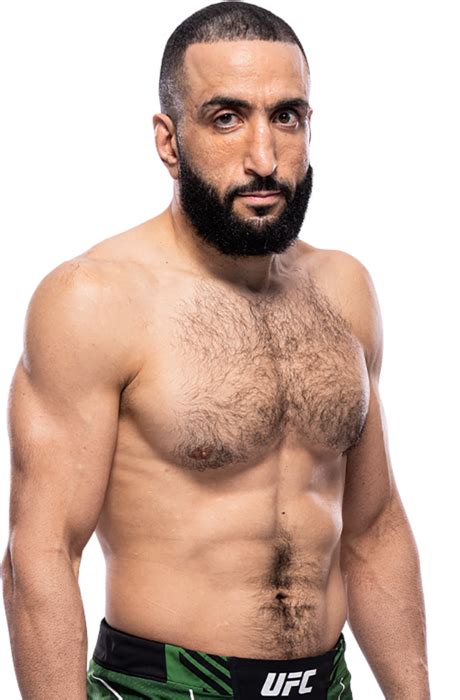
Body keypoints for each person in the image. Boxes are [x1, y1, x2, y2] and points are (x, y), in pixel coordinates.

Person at [1, 2, 430, 698]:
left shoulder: (344, 289)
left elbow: (375, 530)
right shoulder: (93, 299)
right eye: (226, 118)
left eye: (286, 117)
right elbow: (40, 556)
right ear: (169, 141)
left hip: (326, 683)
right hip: (166, 686)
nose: (264, 158)